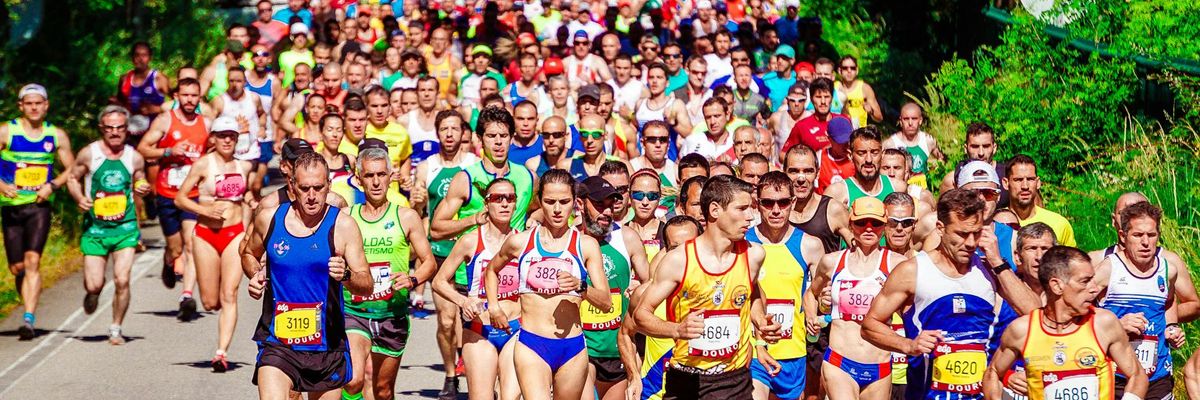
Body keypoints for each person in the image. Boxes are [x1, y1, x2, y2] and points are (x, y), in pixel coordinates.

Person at [861, 188, 1040, 400]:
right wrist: (908, 345)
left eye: (977, 233)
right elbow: (870, 326)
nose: (971, 243)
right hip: (927, 393)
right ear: (940, 228)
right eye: (962, 234)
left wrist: (997, 262)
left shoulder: (989, 269)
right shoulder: (913, 271)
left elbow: (1035, 313)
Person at [633, 175, 783, 400]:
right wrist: (676, 329)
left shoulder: (753, 255)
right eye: (741, 208)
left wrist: (760, 320)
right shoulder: (679, 260)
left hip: (735, 380)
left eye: (750, 208)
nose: (750, 217)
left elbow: (750, 293)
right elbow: (640, 315)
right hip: (688, 379)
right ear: (714, 210)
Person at [242, 152, 372, 399]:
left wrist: (345, 275)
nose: (312, 196)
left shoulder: (343, 226)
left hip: (327, 346)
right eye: (304, 188)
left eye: (318, 188)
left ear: (329, 185)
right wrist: (256, 273)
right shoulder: (269, 219)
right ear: (292, 187)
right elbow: (249, 253)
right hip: (279, 343)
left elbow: (366, 284)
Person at [431, 106, 536, 398]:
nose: (499, 142)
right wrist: (472, 220)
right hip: (476, 268)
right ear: (480, 140)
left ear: (512, 139)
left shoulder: (525, 176)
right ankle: (453, 374)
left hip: (516, 286)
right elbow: (437, 227)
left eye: (504, 136)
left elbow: (538, 211)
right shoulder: (466, 177)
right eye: (492, 136)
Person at [483, 169, 613, 399]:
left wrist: (580, 286)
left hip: (571, 347)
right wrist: (493, 306)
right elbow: (492, 270)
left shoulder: (586, 245)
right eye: (549, 201)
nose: (557, 209)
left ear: (575, 203)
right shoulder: (520, 242)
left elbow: (605, 302)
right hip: (531, 344)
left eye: (564, 202)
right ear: (539, 202)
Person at [983, 246, 1148, 400]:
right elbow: (993, 374)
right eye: (1085, 281)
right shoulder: (1022, 330)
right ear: (1057, 286)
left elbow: (1137, 375)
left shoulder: (1103, 323)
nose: (1095, 288)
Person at [338, 147, 437, 400]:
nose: (376, 181)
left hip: (391, 313)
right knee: (354, 380)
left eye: (381, 174)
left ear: (391, 175)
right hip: (354, 312)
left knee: (382, 390)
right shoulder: (347, 218)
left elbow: (428, 262)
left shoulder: (406, 217)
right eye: (369, 175)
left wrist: (413, 279)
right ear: (359, 179)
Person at [1093, 201, 1197, 399]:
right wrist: (1116, 326)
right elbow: (1078, 309)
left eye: (1151, 235)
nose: (1145, 242)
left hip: (1157, 374)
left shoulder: (1168, 271)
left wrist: (1172, 328)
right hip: (1118, 374)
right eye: (1138, 235)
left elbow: (1168, 303)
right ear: (1123, 236)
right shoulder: (1109, 269)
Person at [805, 197, 906, 400]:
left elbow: (912, 309)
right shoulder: (831, 262)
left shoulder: (897, 265)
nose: (868, 228)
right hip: (839, 361)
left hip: (879, 365)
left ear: (885, 225)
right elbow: (810, 294)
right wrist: (811, 318)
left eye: (876, 223)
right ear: (851, 224)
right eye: (861, 223)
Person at [66, 105, 151, 345]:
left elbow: (140, 180)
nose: (115, 132)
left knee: (122, 279)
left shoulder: (134, 156)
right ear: (102, 129)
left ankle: (116, 328)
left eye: (120, 128)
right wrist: (79, 198)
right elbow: (72, 177)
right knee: (94, 283)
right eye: (110, 128)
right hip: (95, 229)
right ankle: (93, 294)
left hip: (125, 228)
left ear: (127, 130)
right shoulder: (89, 154)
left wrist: (143, 186)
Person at [432, 178, 523, 400]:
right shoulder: (470, 241)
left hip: (515, 329)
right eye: (497, 198)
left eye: (509, 198)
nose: (504, 204)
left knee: (509, 397)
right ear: (486, 203)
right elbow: (439, 281)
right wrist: (463, 301)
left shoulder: (524, 241)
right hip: (479, 329)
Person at [174, 116, 253, 371]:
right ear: (213, 138)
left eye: (231, 135)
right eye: (222, 135)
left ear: (236, 139)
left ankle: (221, 353)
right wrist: (204, 211)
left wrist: (252, 213)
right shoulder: (202, 165)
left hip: (234, 234)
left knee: (230, 294)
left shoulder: (245, 167)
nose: (227, 140)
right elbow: (180, 198)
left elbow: (249, 195)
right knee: (211, 302)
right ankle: (212, 304)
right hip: (206, 234)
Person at [0, 84, 75, 340]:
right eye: (28, 103)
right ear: (21, 106)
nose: (34, 107)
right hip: (11, 208)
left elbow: (72, 169)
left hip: (38, 207)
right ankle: (28, 304)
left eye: (38, 103)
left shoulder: (56, 136)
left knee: (33, 262)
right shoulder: (6, 131)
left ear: (46, 105)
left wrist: (52, 185)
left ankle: (29, 319)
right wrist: (1, 185)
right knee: (17, 267)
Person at [747, 171, 825, 400]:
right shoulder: (743, 243)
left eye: (782, 202)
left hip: (793, 350)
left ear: (793, 202)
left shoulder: (810, 245)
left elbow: (820, 297)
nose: (775, 210)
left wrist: (820, 308)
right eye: (768, 203)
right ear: (757, 203)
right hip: (753, 349)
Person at [139, 77, 208, 320]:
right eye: (186, 95)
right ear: (177, 96)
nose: (190, 100)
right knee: (176, 246)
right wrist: (168, 151)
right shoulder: (165, 120)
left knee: (191, 244)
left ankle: (186, 296)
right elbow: (143, 148)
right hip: (167, 193)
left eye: (194, 95)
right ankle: (169, 261)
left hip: (192, 195)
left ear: (200, 97)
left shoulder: (206, 124)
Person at [782, 146, 854, 253]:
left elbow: (858, 252)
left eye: (808, 171)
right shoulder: (776, 210)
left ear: (818, 173)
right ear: (784, 172)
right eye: (794, 171)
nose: (801, 178)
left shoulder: (833, 209)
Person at [209, 66, 267, 193]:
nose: (235, 85)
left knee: (251, 187)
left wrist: (262, 127)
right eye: (231, 81)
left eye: (239, 81)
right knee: (235, 190)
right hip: (229, 153)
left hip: (251, 151)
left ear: (245, 82)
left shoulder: (254, 98)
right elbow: (209, 125)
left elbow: (262, 113)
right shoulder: (220, 101)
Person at [824, 126, 907, 208]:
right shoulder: (836, 193)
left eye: (874, 152)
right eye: (861, 153)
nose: (869, 160)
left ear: (882, 154)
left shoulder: (897, 188)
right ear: (850, 156)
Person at [1004, 155, 1076, 246]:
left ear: (1038, 183)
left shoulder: (1059, 224)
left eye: (1030, 179)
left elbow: (1072, 259)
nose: (1025, 186)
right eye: (1018, 180)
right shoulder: (997, 224)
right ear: (1006, 183)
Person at [883, 103, 942, 191]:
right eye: (906, 119)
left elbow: (941, 161)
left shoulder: (928, 141)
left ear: (920, 120)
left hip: (923, 191)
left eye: (914, 119)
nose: (910, 123)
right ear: (900, 121)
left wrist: (933, 173)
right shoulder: (890, 143)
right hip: (899, 191)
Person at [628, 121, 679, 216]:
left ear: (668, 144)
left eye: (663, 140)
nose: (658, 144)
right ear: (643, 143)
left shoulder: (676, 171)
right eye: (652, 140)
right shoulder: (631, 168)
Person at [783, 78, 841, 154]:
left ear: (832, 98)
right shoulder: (801, 126)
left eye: (826, 97)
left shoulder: (843, 121)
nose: (823, 102)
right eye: (818, 97)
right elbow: (783, 154)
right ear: (811, 99)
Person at [559, 114, 623, 181]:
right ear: (580, 137)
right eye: (584, 134)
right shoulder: (566, 166)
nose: (589, 140)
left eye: (596, 134)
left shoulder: (621, 166)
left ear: (605, 135)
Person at [116, 42, 169, 123]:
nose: (140, 59)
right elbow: (120, 102)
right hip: (131, 129)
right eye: (137, 55)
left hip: (154, 131)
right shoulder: (125, 78)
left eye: (144, 55)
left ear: (150, 58)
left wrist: (156, 109)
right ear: (132, 58)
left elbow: (176, 103)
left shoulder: (159, 78)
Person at [833, 56, 882, 127]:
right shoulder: (834, 87)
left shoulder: (865, 88)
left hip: (860, 133)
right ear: (839, 71)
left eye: (852, 68)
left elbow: (879, 118)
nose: (849, 71)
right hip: (839, 131)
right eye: (845, 68)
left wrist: (871, 111)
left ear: (857, 70)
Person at [813, 116, 856, 195]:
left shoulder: (856, 159)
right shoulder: (819, 158)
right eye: (840, 142)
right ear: (829, 139)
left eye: (847, 140)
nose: (845, 145)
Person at [767, 82, 808, 154]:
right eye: (792, 100)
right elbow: (767, 141)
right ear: (787, 100)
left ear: (805, 101)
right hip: (781, 164)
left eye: (800, 100)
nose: (796, 104)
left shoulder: (811, 119)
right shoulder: (777, 118)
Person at [506, 101, 543, 165]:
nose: (525, 124)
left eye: (530, 119)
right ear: (513, 120)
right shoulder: (504, 145)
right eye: (520, 119)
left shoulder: (546, 144)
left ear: (537, 121)